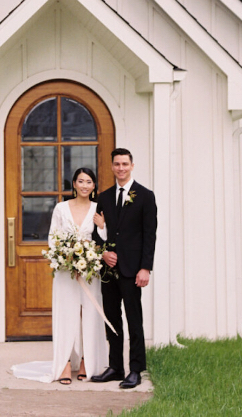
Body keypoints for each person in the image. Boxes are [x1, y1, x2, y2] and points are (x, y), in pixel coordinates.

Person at [11, 167, 107, 384]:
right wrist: (67, 258)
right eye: (80, 181)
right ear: (74, 184)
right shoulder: (61, 208)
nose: (84, 185)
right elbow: (53, 239)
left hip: (90, 271)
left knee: (88, 314)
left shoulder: (98, 209)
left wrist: (101, 229)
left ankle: (86, 361)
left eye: (89, 182)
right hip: (66, 272)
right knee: (67, 314)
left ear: (94, 186)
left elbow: (104, 240)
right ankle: (64, 363)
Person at [91, 147, 157, 389]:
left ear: (132, 165)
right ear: (111, 166)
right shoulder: (104, 197)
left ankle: (136, 369)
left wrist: (145, 268)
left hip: (132, 270)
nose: (120, 168)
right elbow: (96, 233)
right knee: (112, 319)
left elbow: (149, 235)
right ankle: (116, 367)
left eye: (124, 164)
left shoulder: (146, 196)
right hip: (108, 270)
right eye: (116, 164)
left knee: (134, 319)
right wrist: (103, 252)